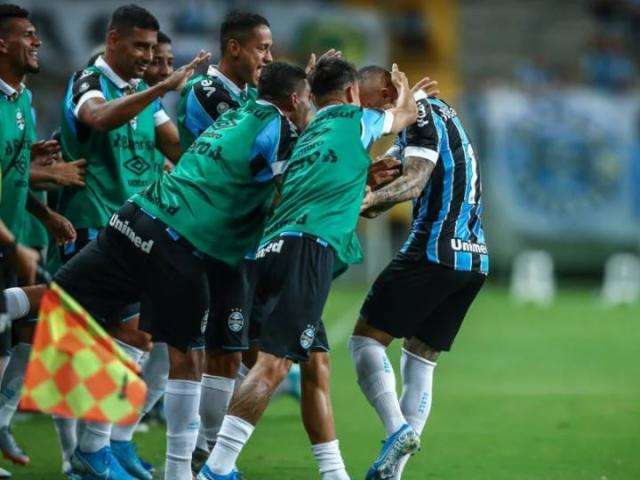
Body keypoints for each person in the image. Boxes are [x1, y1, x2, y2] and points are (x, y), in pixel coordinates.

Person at [53, 60, 310, 480]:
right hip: (178, 239)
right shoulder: (277, 127)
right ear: (296, 99)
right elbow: (293, 193)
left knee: (65, 308)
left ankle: (97, 447)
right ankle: (179, 471)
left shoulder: (240, 112)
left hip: (134, 216)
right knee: (186, 357)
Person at [198, 57, 417, 480]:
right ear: (352, 93)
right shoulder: (357, 120)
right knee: (273, 365)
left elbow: (321, 180)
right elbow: (406, 115)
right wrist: (405, 86)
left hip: (271, 249)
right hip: (307, 250)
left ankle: (334, 474)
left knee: (315, 361)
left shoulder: (306, 132)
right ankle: (217, 467)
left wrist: (363, 179)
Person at [54, 4, 209, 479]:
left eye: (151, 47)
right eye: (139, 46)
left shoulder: (144, 93)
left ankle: (108, 445)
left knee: (150, 341)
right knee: (91, 345)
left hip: (142, 231)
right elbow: (98, 119)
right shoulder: (87, 83)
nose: (146, 56)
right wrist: (163, 86)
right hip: (94, 226)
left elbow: (177, 149)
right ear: (113, 39)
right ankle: (85, 452)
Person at [352, 65, 489, 479]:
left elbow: (411, 184)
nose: (370, 112)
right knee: (420, 359)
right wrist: (370, 194)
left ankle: (397, 431)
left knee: (365, 342)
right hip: (474, 258)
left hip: (432, 251)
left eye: (371, 101)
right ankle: (393, 474)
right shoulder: (435, 114)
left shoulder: (422, 117)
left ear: (392, 91)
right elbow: (383, 190)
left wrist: (357, 204)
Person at [0, 4, 77, 475]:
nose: (37, 42)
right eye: (27, 35)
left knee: (37, 321)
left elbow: (12, 173)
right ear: (2, 43)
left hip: (11, 241)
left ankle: (4, 421)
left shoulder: (21, 101)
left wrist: (45, 215)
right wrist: (17, 244)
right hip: (8, 243)